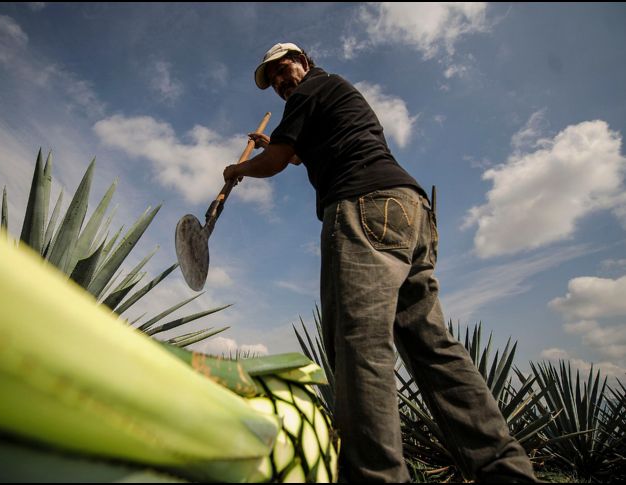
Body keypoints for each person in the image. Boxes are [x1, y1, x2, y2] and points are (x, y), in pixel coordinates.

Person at [223, 42, 537, 483]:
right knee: (432, 348)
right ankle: (507, 473)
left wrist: (237, 170)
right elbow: (292, 154)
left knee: (360, 345)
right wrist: (271, 146)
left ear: (305, 62)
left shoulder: (309, 90)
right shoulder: (326, 92)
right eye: (271, 77)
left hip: (362, 206)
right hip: (410, 213)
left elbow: (274, 161)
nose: (279, 80)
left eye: (284, 67)